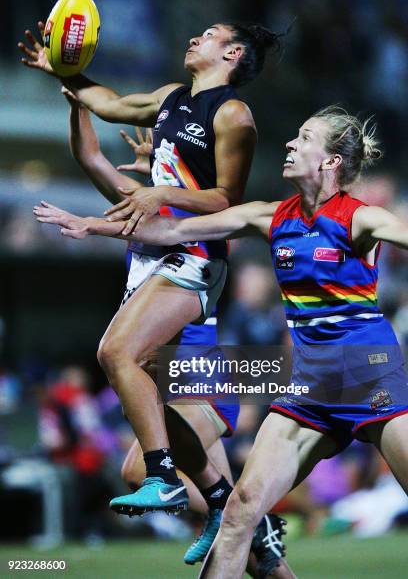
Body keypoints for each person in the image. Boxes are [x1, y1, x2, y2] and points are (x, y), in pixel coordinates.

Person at [36, 105, 408, 577]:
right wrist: (94, 226)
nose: (290, 144)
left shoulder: (361, 219)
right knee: (239, 511)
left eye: (304, 138)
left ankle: (186, 481)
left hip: (370, 375)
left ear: (331, 162)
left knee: (146, 441)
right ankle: (231, 512)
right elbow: (172, 229)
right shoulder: (269, 216)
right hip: (309, 389)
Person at [20, 21, 281, 519]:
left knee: (116, 352)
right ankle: (234, 512)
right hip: (163, 264)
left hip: (197, 256)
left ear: (234, 53)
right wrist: (71, 76)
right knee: (233, 531)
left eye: (208, 34)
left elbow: (228, 198)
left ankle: (166, 480)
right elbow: (108, 112)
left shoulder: (232, 114)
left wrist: (161, 192)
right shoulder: (170, 99)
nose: (193, 37)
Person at [61, 89, 290, 575]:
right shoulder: (141, 211)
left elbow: (216, 200)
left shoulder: (191, 228)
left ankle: (231, 508)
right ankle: (245, 519)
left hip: (198, 373)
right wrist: (76, 95)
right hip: (171, 374)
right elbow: (88, 155)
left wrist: (157, 191)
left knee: (139, 462)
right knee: (247, 553)